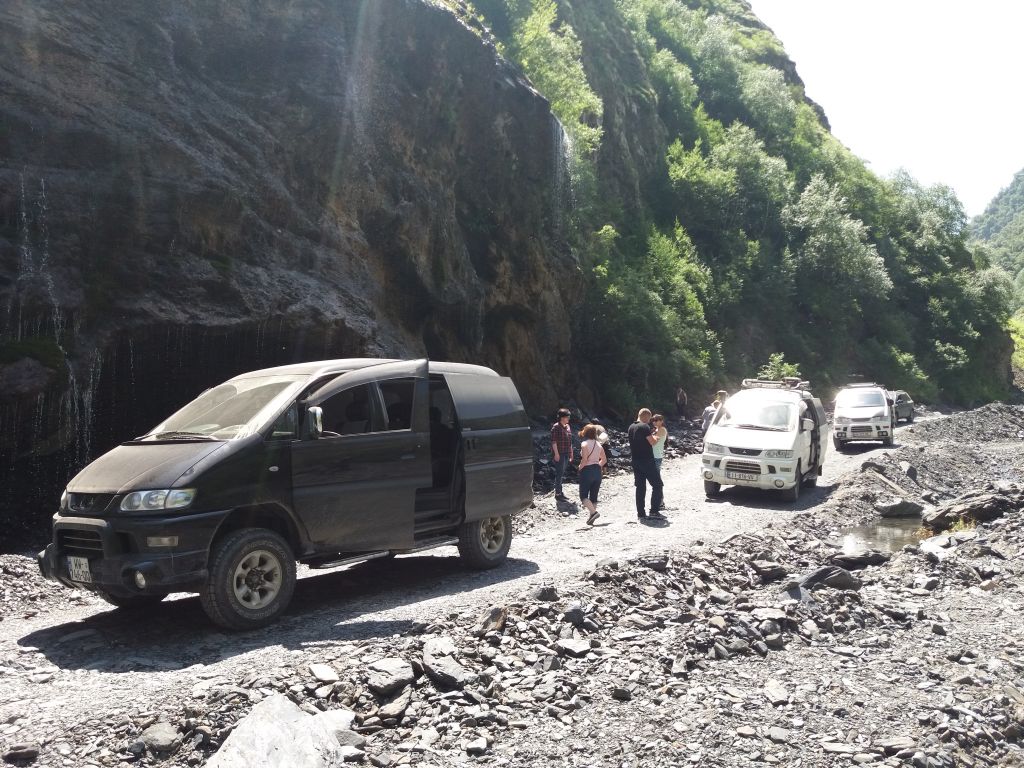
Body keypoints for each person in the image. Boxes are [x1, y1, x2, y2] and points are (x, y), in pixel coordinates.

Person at [628, 408, 665, 521]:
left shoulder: (631, 427)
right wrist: (656, 438)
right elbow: (652, 442)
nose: (650, 421)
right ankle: (654, 511)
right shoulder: (644, 427)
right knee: (658, 485)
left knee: (640, 487)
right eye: (649, 419)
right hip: (647, 460)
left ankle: (641, 513)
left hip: (635, 460)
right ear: (646, 416)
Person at [577, 424, 607, 525]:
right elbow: (604, 460)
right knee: (594, 496)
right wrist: (597, 466)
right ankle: (591, 517)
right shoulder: (599, 445)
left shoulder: (584, 444)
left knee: (583, 496)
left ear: (585, 433)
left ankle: (594, 513)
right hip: (597, 471)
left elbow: (584, 460)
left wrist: (580, 468)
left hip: (587, 471)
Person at [550, 408, 573, 501]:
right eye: (567, 416)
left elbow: (570, 441)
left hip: (566, 452)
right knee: (559, 474)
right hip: (560, 453)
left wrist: (571, 453)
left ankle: (560, 492)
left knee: (562, 473)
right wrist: (556, 454)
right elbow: (553, 442)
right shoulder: (556, 427)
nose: (569, 418)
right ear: (562, 417)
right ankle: (558, 494)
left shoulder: (568, 427)